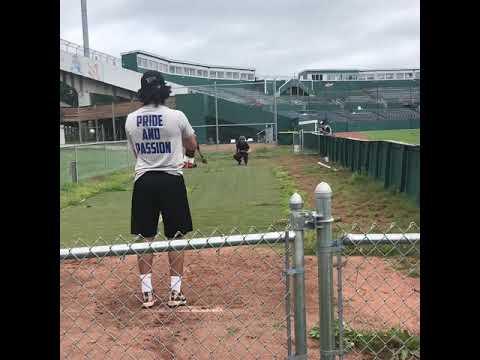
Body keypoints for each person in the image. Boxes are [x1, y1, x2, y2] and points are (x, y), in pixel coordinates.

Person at [125, 70, 197, 309]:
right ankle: (175, 294)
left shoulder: (131, 119)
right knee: (175, 236)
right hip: (171, 180)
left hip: (144, 181)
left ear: (142, 93)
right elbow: (191, 144)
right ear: (164, 90)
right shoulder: (177, 116)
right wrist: (188, 156)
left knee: (145, 237)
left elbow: (137, 154)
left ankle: (147, 294)